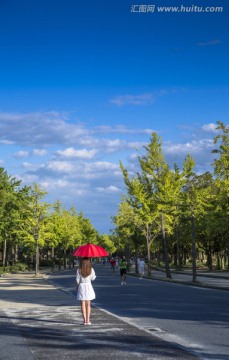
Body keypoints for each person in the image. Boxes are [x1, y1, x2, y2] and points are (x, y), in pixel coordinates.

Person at [76, 257, 96, 325]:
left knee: (82, 303)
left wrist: (77, 287)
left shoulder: (79, 270)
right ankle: (88, 320)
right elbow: (93, 278)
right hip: (88, 286)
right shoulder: (91, 269)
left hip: (81, 286)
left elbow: (77, 280)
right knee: (88, 304)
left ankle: (84, 320)